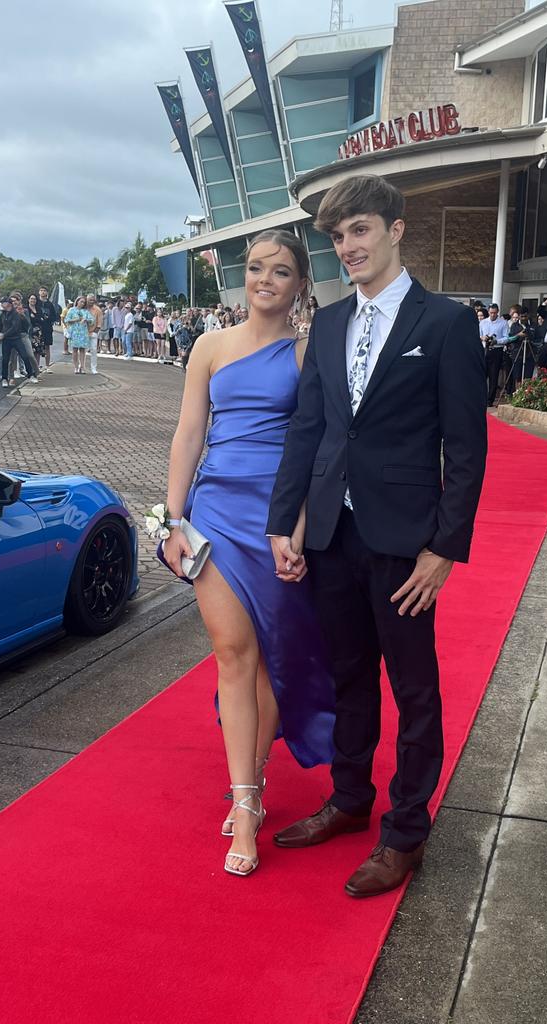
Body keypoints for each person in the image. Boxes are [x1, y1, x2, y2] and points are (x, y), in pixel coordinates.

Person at [267, 174, 487, 899]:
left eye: (358, 229)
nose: (347, 247)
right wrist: (283, 523)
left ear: (395, 229)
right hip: (332, 532)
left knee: (415, 690)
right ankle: (351, 798)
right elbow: (310, 431)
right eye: (336, 237)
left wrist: (445, 548)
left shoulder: (446, 323)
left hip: (403, 543)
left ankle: (406, 832)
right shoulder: (327, 324)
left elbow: (467, 444)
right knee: (349, 677)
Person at [161, 229, 335, 878]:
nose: (264, 279)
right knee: (234, 656)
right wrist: (172, 518)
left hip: (275, 521)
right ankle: (248, 801)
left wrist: (297, 527)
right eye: (257, 267)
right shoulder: (208, 346)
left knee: (274, 665)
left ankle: (252, 779)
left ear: (300, 284)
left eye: (281, 271)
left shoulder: (304, 355)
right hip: (213, 516)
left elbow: (315, 453)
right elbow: (187, 434)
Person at [0, 297, 39, 386]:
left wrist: (3, 335)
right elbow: (0, 325)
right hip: (7, 340)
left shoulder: (15, 314)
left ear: (8, 304)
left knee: (25, 356)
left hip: (16, 338)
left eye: (4, 303)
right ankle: (4, 378)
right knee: (6, 359)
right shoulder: (3, 314)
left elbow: (15, 327)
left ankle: (31, 375)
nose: (2, 305)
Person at [479, 303, 507, 406]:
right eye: (491, 313)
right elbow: (478, 335)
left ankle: (489, 400)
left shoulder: (503, 323)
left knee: (493, 376)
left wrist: (496, 341)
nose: (492, 315)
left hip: (496, 350)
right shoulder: (483, 322)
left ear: (498, 312)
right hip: (485, 349)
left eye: (494, 313)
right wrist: (483, 338)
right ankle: (480, 397)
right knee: (482, 375)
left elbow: (506, 338)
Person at [65, 296, 93, 373]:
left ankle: (82, 366)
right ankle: (76, 366)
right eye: (81, 301)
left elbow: (92, 320)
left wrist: (86, 320)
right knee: (74, 350)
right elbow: (66, 320)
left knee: (82, 350)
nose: (82, 303)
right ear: (77, 301)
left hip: (83, 332)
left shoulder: (85, 311)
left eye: (84, 302)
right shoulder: (71, 310)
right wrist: (75, 320)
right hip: (74, 332)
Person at [86, 294, 102, 374]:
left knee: (94, 350)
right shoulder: (83, 308)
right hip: (83, 333)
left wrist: (94, 333)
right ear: (87, 300)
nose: (91, 302)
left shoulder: (97, 310)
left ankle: (93, 368)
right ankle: (81, 366)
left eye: (93, 300)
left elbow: (99, 323)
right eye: (90, 300)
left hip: (93, 333)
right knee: (82, 350)